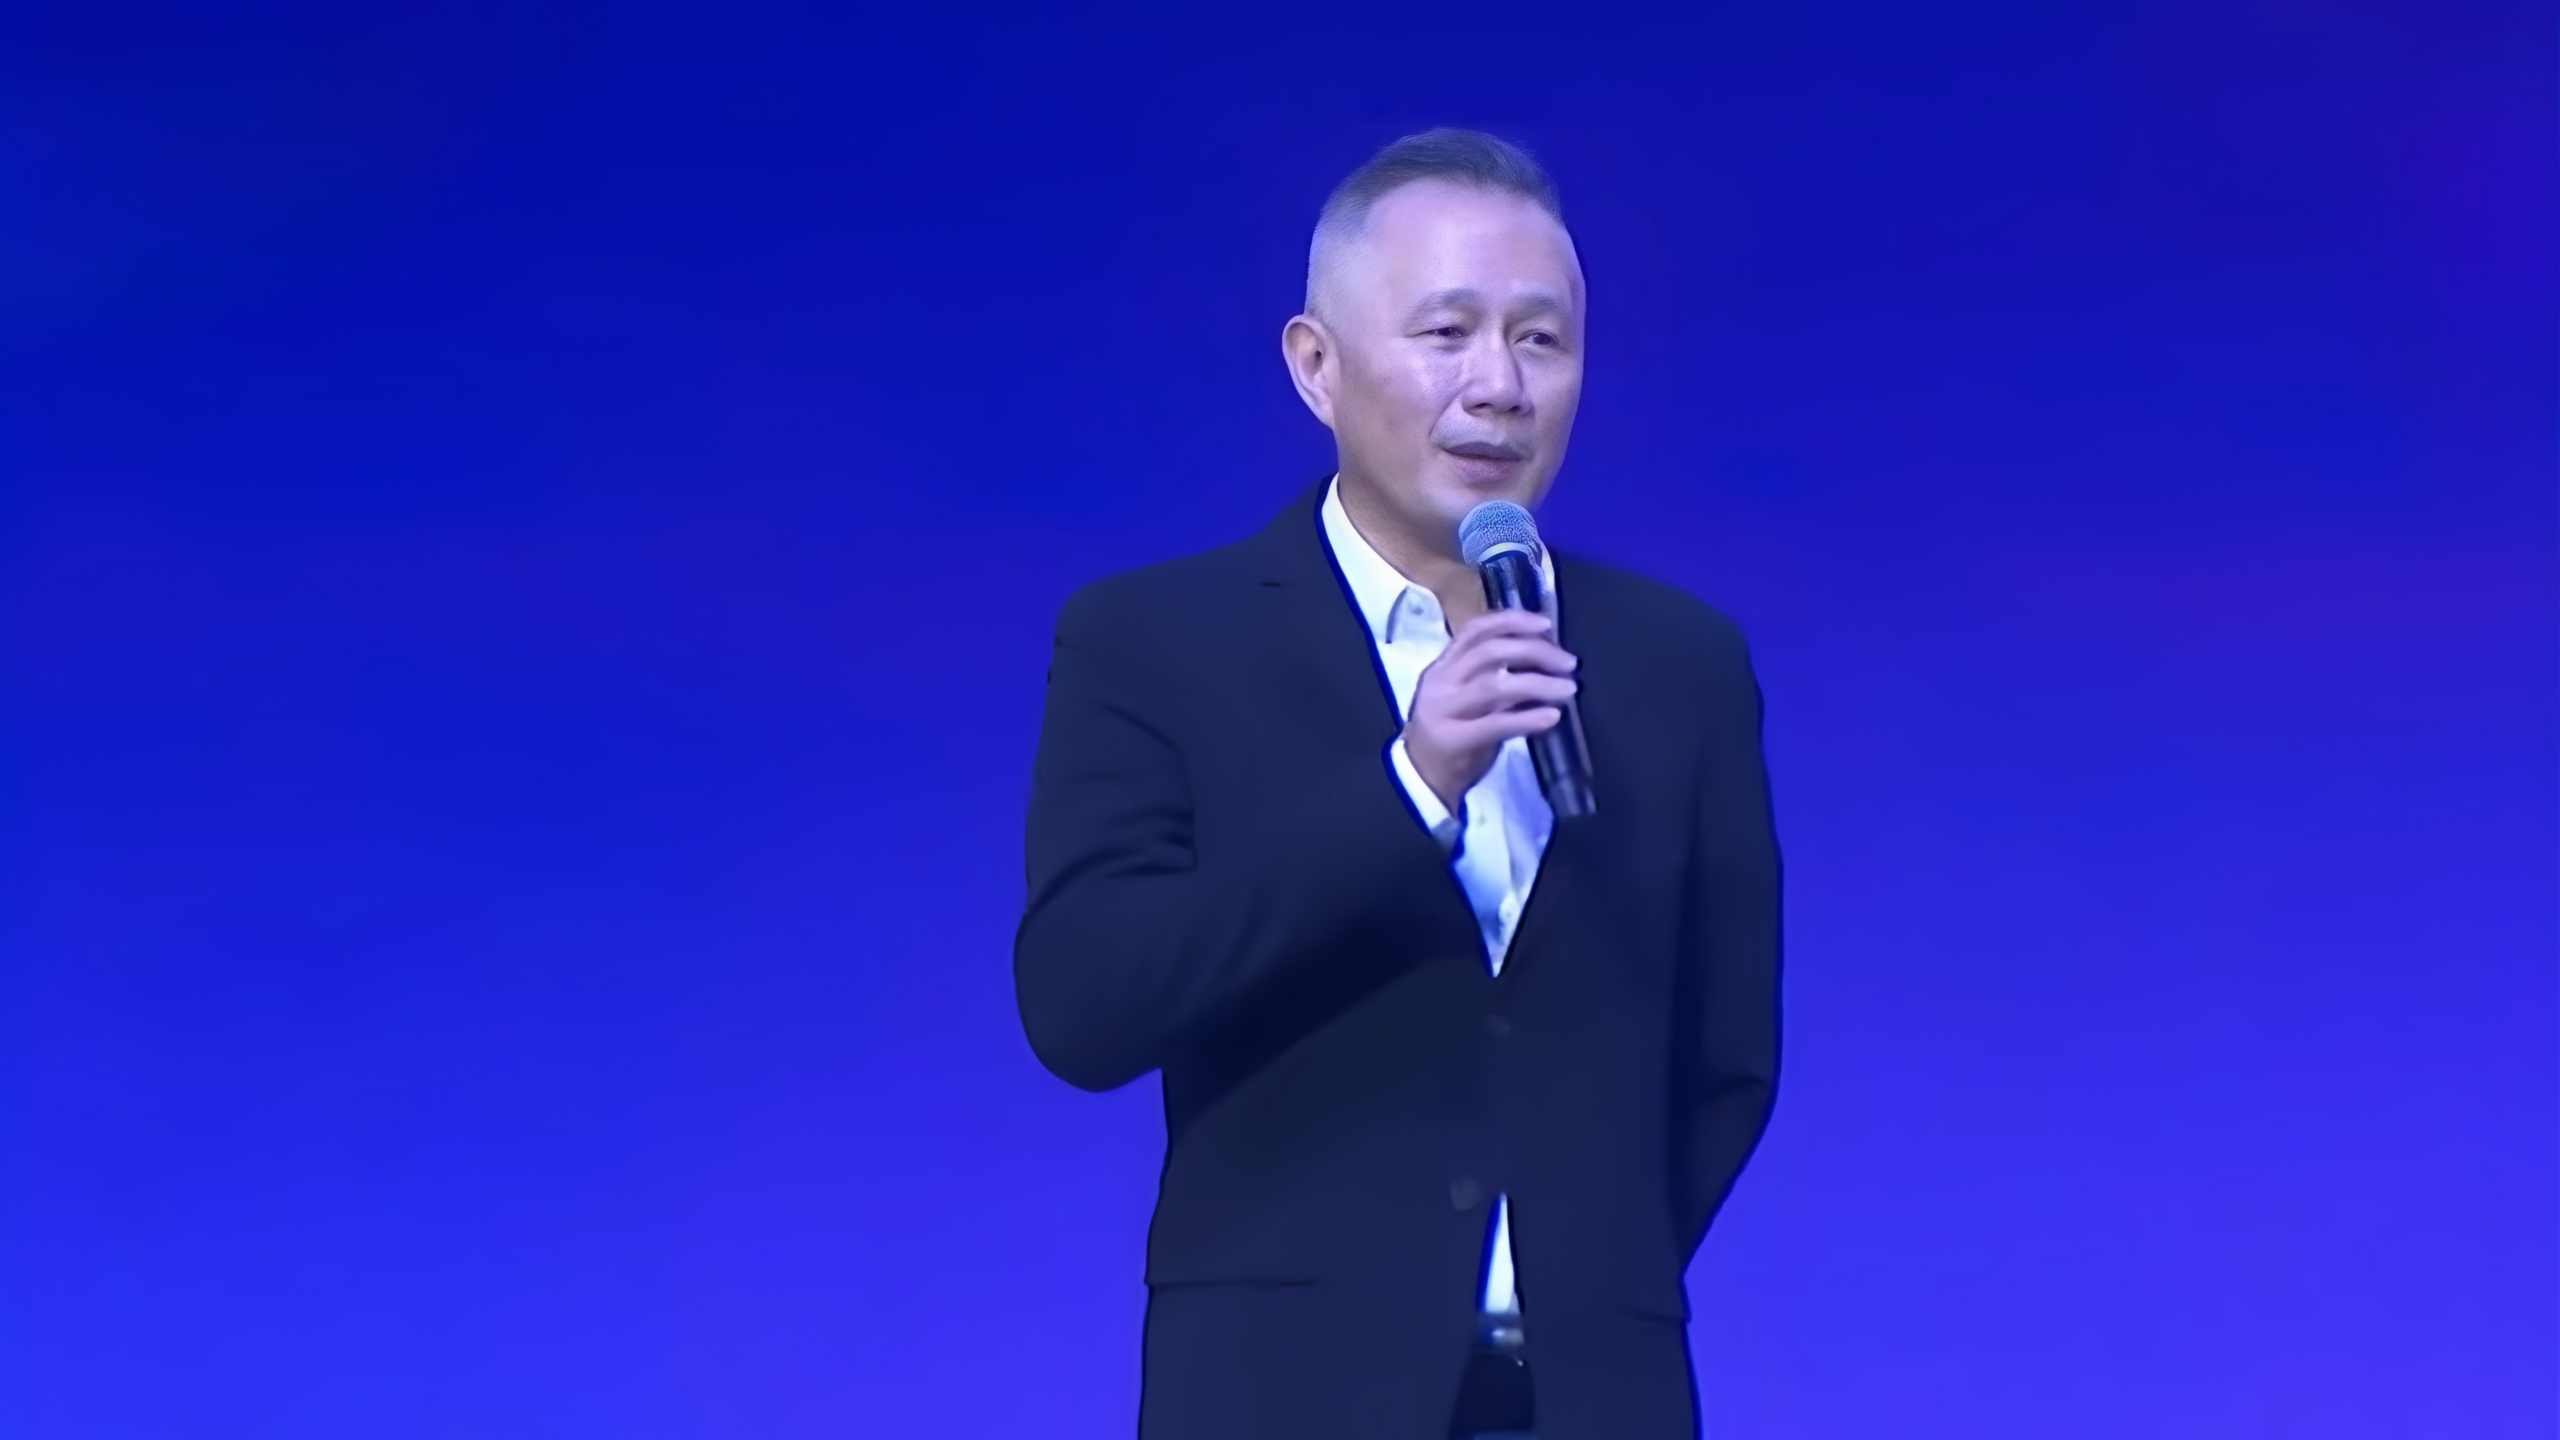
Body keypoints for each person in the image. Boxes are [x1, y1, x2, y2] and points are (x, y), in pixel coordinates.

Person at [1013, 129, 1781, 1440]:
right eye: (1447, 333)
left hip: (1596, 1402)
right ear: (1315, 366)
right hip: (1281, 1400)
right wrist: (1410, 784)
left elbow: (1727, 1062)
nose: (1500, 387)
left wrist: (1590, 1278)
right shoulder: (1156, 642)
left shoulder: (1679, 662)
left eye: (1541, 340)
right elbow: (1085, 1004)